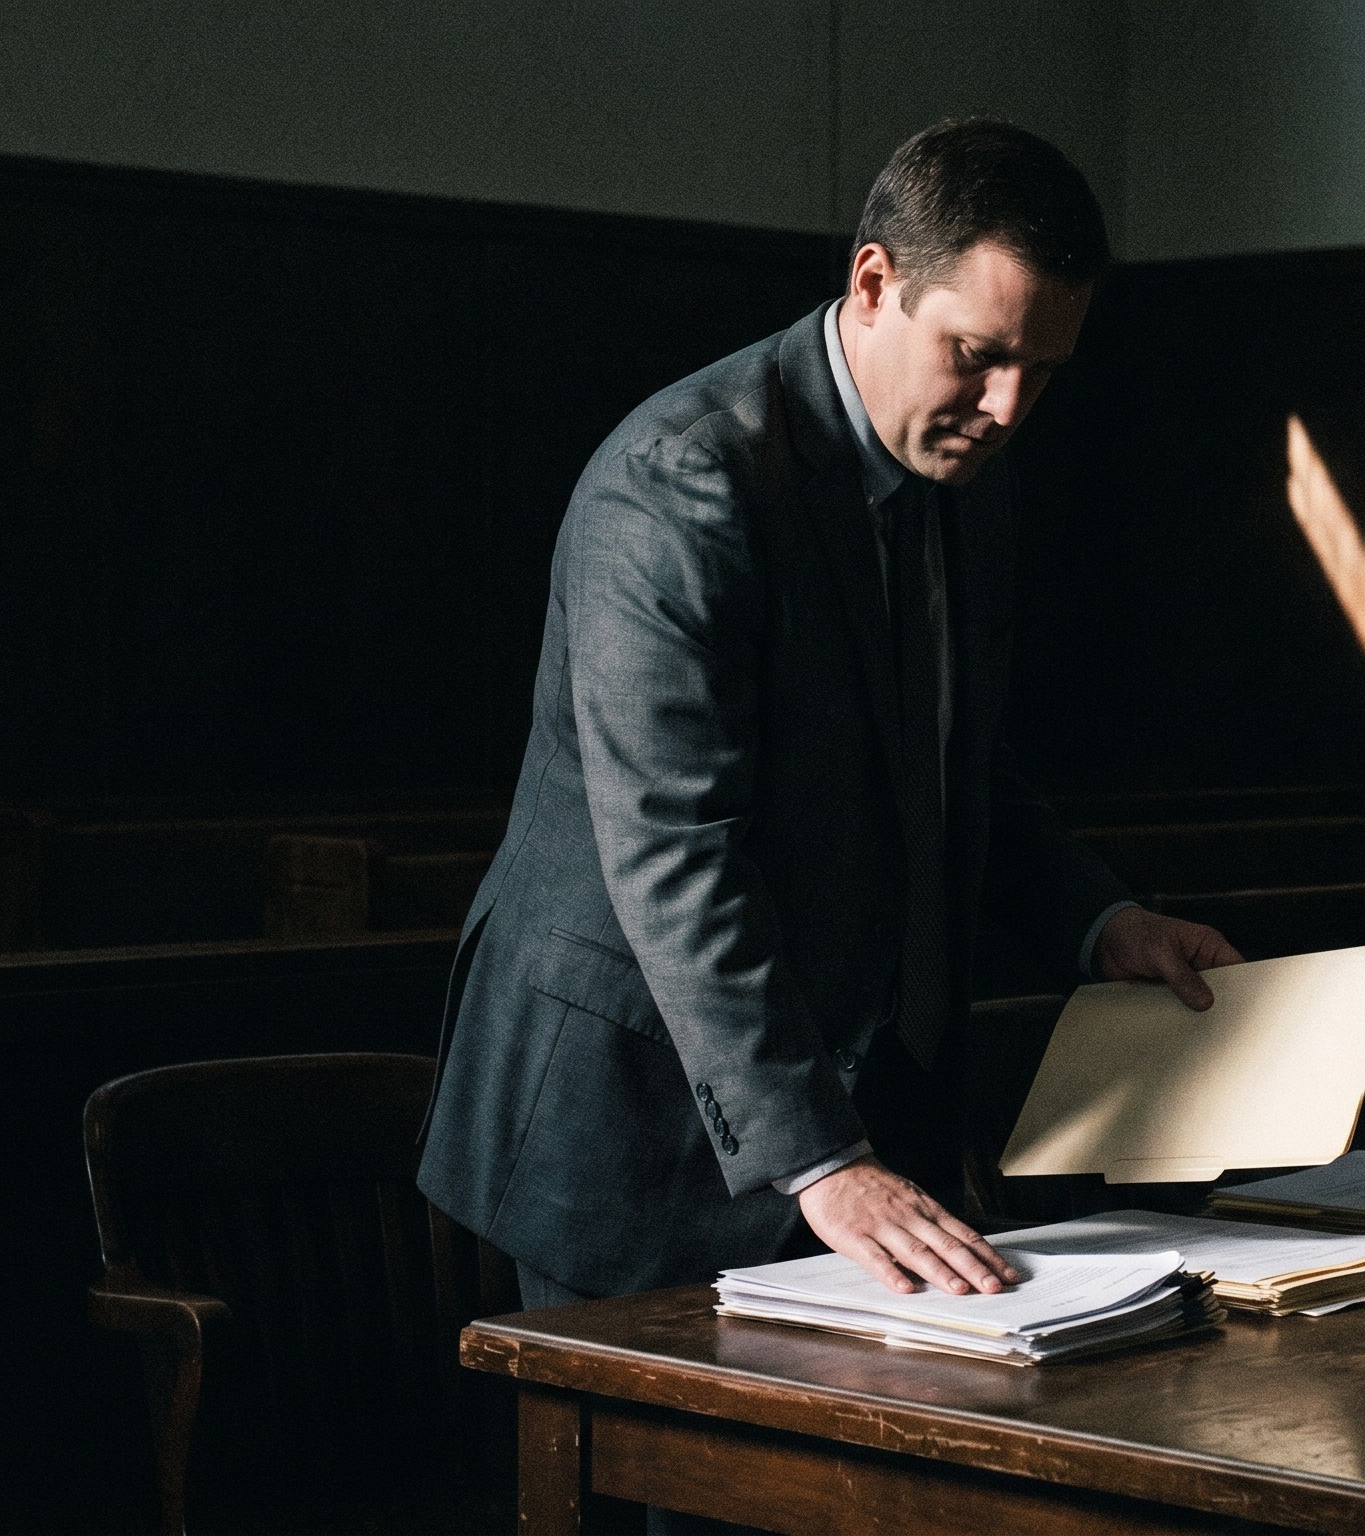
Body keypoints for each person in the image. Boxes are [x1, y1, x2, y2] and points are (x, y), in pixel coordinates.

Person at [416, 119, 1238, 1314]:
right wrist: (819, 1158)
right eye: (975, 353)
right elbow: (673, 857)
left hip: (848, 1097)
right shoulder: (681, 482)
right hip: (633, 1117)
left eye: (1043, 371)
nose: (1008, 407)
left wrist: (1098, 921)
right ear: (873, 284)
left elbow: (955, 766)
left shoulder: (966, 469)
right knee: (671, 1495)